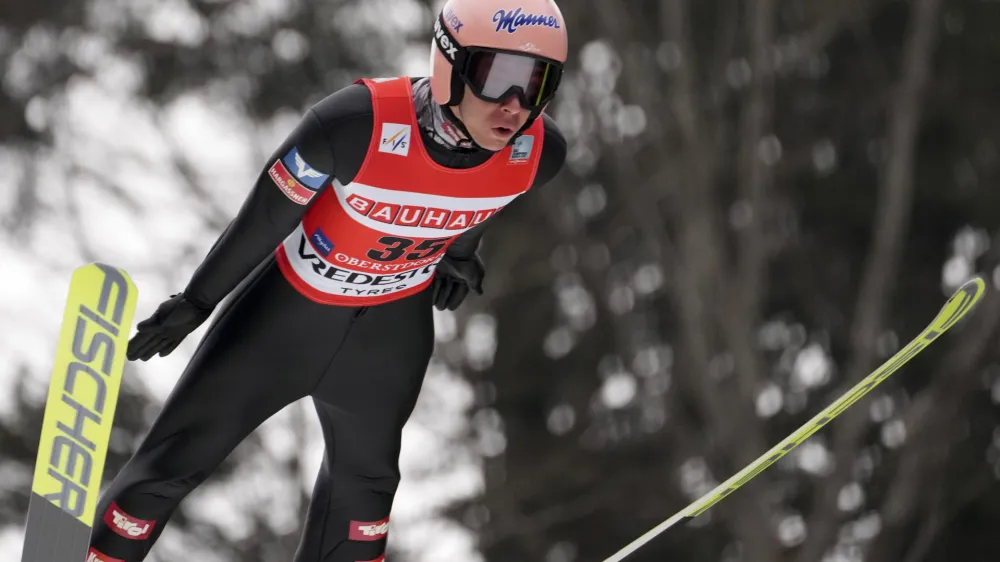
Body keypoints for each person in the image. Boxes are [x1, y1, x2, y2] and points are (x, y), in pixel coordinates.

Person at [84, 1, 569, 561]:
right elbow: (265, 218)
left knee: (365, 500)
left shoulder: (539, 152)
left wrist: (459, 253)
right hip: (286, 320)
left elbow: (484, 196)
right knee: (167, 469)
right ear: (451, 65)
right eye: (498, 77)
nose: (515, 105)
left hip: (387, 337)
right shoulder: (354, 124)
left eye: (536, 84)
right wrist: (197, 300)